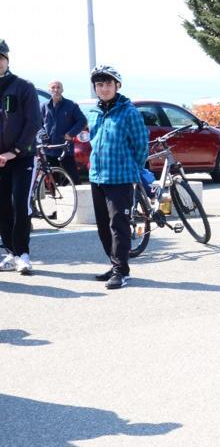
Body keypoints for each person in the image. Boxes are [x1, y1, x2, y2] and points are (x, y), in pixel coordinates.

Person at [86, 65, 149, 289]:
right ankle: (114, 264)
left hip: (120, 178)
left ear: (117, 86)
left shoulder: (128, 111)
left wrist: (132, 167)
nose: (104, 89)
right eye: (100, 85)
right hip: (97, 176)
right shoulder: (94, 113)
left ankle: (122, 271)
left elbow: (141, 144)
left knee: (118, 225)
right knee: (103, 226)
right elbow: (93, 141)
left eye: (108, 84)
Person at [0, 39, 42, 275]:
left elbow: (33, 122)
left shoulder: (23, 87)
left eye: (0, 58)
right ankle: (11, 253)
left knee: (20, 204)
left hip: (22, 158)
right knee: (2, 206)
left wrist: (14, 151)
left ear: (7, 60)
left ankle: (23, 253)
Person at [40, 80, 87, 184]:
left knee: (74, 178)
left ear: (62, 89)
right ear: (49, 90)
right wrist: (43, 135)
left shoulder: (71, 105)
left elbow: (82, 121)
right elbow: (37, 124)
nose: (56, 90)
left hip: (65, 147)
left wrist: (71, 134)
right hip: (49, 148)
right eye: (53, 87)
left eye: (58, 87)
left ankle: (79, 197)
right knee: (52, 180)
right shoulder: (43, 106)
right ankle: (56, 198)